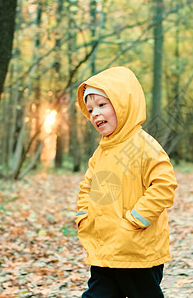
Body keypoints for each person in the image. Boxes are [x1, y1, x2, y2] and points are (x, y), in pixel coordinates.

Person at [75, 66, 178, 298]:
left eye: (102, 105)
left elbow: (164, 186)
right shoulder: (101, 152)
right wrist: (84, 215)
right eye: (90, 109)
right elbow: (87, 187)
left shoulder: (145, 146)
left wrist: (135, 220)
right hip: (105, 249)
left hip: (136, 251)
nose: (95, 114)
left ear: (124, 104)